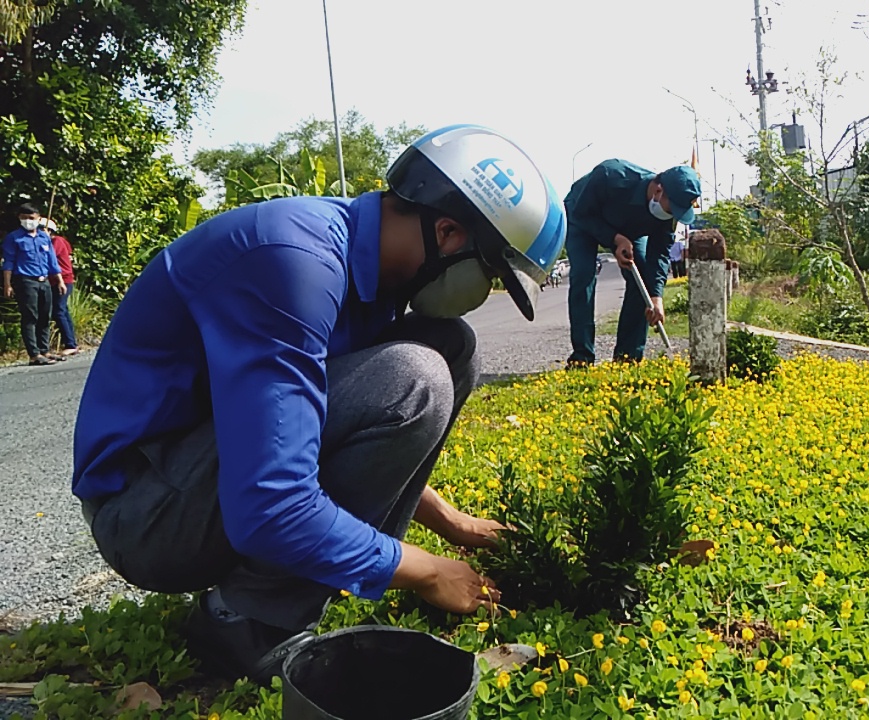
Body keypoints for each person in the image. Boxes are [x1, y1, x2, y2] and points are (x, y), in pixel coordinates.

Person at [71, 125, 566, 683]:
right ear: (448, 233)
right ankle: (246, 617)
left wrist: (450, 521)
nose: (485, 294)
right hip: (145, 516)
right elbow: (270, 506)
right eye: (492, 273)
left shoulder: (369, 274)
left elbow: (298, 429)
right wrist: (428, 572)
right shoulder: (293, 262)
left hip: (200, 476)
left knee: (451, 349)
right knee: (416, 376)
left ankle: (297, 581)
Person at [563, 160, 700, 365]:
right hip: (582, 220)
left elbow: (660, 253)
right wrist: (615, 239)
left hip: (628, 230)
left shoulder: (668, 214)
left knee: (642, 278)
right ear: (659, 190)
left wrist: (656, 297)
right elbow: (580, 213)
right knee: (583, 275)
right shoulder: (611, 175)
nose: (673, 215)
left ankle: (627, 358)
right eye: (672, 209)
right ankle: (582, 357)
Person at [3, 203, 67, 366]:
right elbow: (8, 262)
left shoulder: (44, 237)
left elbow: (52, 260)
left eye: (31, 218)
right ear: (19, 219)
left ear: (39, 219)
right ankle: (34, 354)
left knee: (45, 315)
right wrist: (7, 284)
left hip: (43, 280)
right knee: (31, 316)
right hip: (25, 281)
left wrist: (59, 280)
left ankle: (45, 350)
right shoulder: (14, 238)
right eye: (24, 218)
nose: (28, 221)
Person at [42, 219, 80, 356]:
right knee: (62, 311)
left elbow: (49, 256)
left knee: (59, 310)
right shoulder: (56, 241)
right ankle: (71, 342)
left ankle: (70, 343)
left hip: (63, 280)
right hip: (57, 281)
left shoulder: (56, 242)